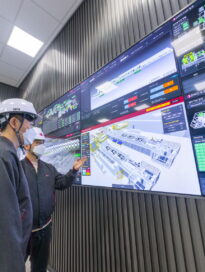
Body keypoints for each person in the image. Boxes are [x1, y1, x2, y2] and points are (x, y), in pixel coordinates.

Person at [21, 127, 87, 272]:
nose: (41, 146)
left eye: (42, 142)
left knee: (40, 266)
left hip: (44, 228)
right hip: (23, 230)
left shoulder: (49, 169)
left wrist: (73, 171)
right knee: (16, 265)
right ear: (26, 146)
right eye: (37, 142)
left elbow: (62, 184)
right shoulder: (18, 169)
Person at [0, 98, 38, 272]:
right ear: (14, 122)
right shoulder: (3, 155)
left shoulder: (9, 153)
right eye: (28, 125)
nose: (30, 130)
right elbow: (5, 220)